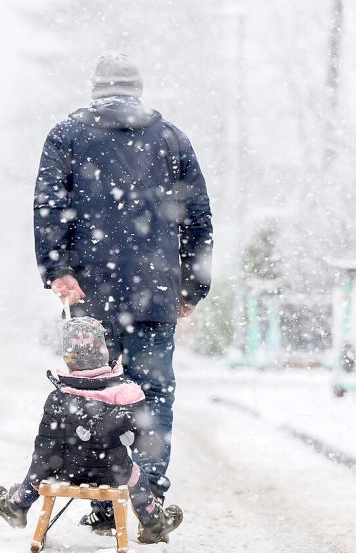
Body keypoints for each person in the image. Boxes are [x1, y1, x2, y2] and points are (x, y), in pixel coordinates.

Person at [33, 52, 213, 533]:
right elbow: (198, 218)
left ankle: (102, 500)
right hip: (155, 294)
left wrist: (58, 270)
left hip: (90, 293)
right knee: (152, 395)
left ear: (95, 89)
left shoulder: (66, 136)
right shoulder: (172, 139)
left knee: (93, 395)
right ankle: (148, 498)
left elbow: (50, 206)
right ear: (138, 89)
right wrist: (191, 285)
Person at [0, 317, 183, 544]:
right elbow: (147, 443)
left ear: (68, 358)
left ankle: (18, 505)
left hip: (65, 471)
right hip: (114, 472)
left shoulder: (59, 398)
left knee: (43, 465)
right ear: (104, 352)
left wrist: (36, 478)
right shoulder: (126, 396)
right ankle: (152, 522)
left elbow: (45, 449)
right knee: (136, 475)